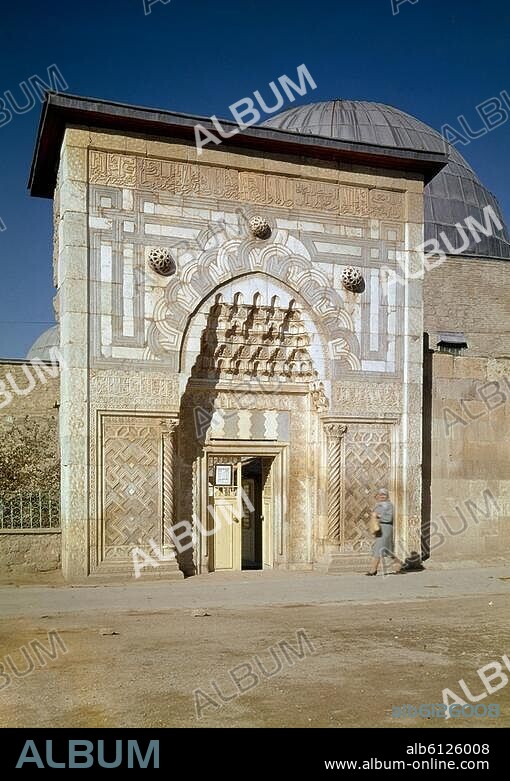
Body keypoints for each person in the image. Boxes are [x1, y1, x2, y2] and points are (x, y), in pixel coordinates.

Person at [365, 488, 402, 576]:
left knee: (379, 548)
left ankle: (373, 570)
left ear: (387, 496)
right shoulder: (378, 505)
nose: (382, 496)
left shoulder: (389, 505)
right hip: (379, 528)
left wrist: (378, 515)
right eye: (380, 494)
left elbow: (389, 518)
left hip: (386, 528)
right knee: (387, 551)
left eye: (384, 495)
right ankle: (399, 564)